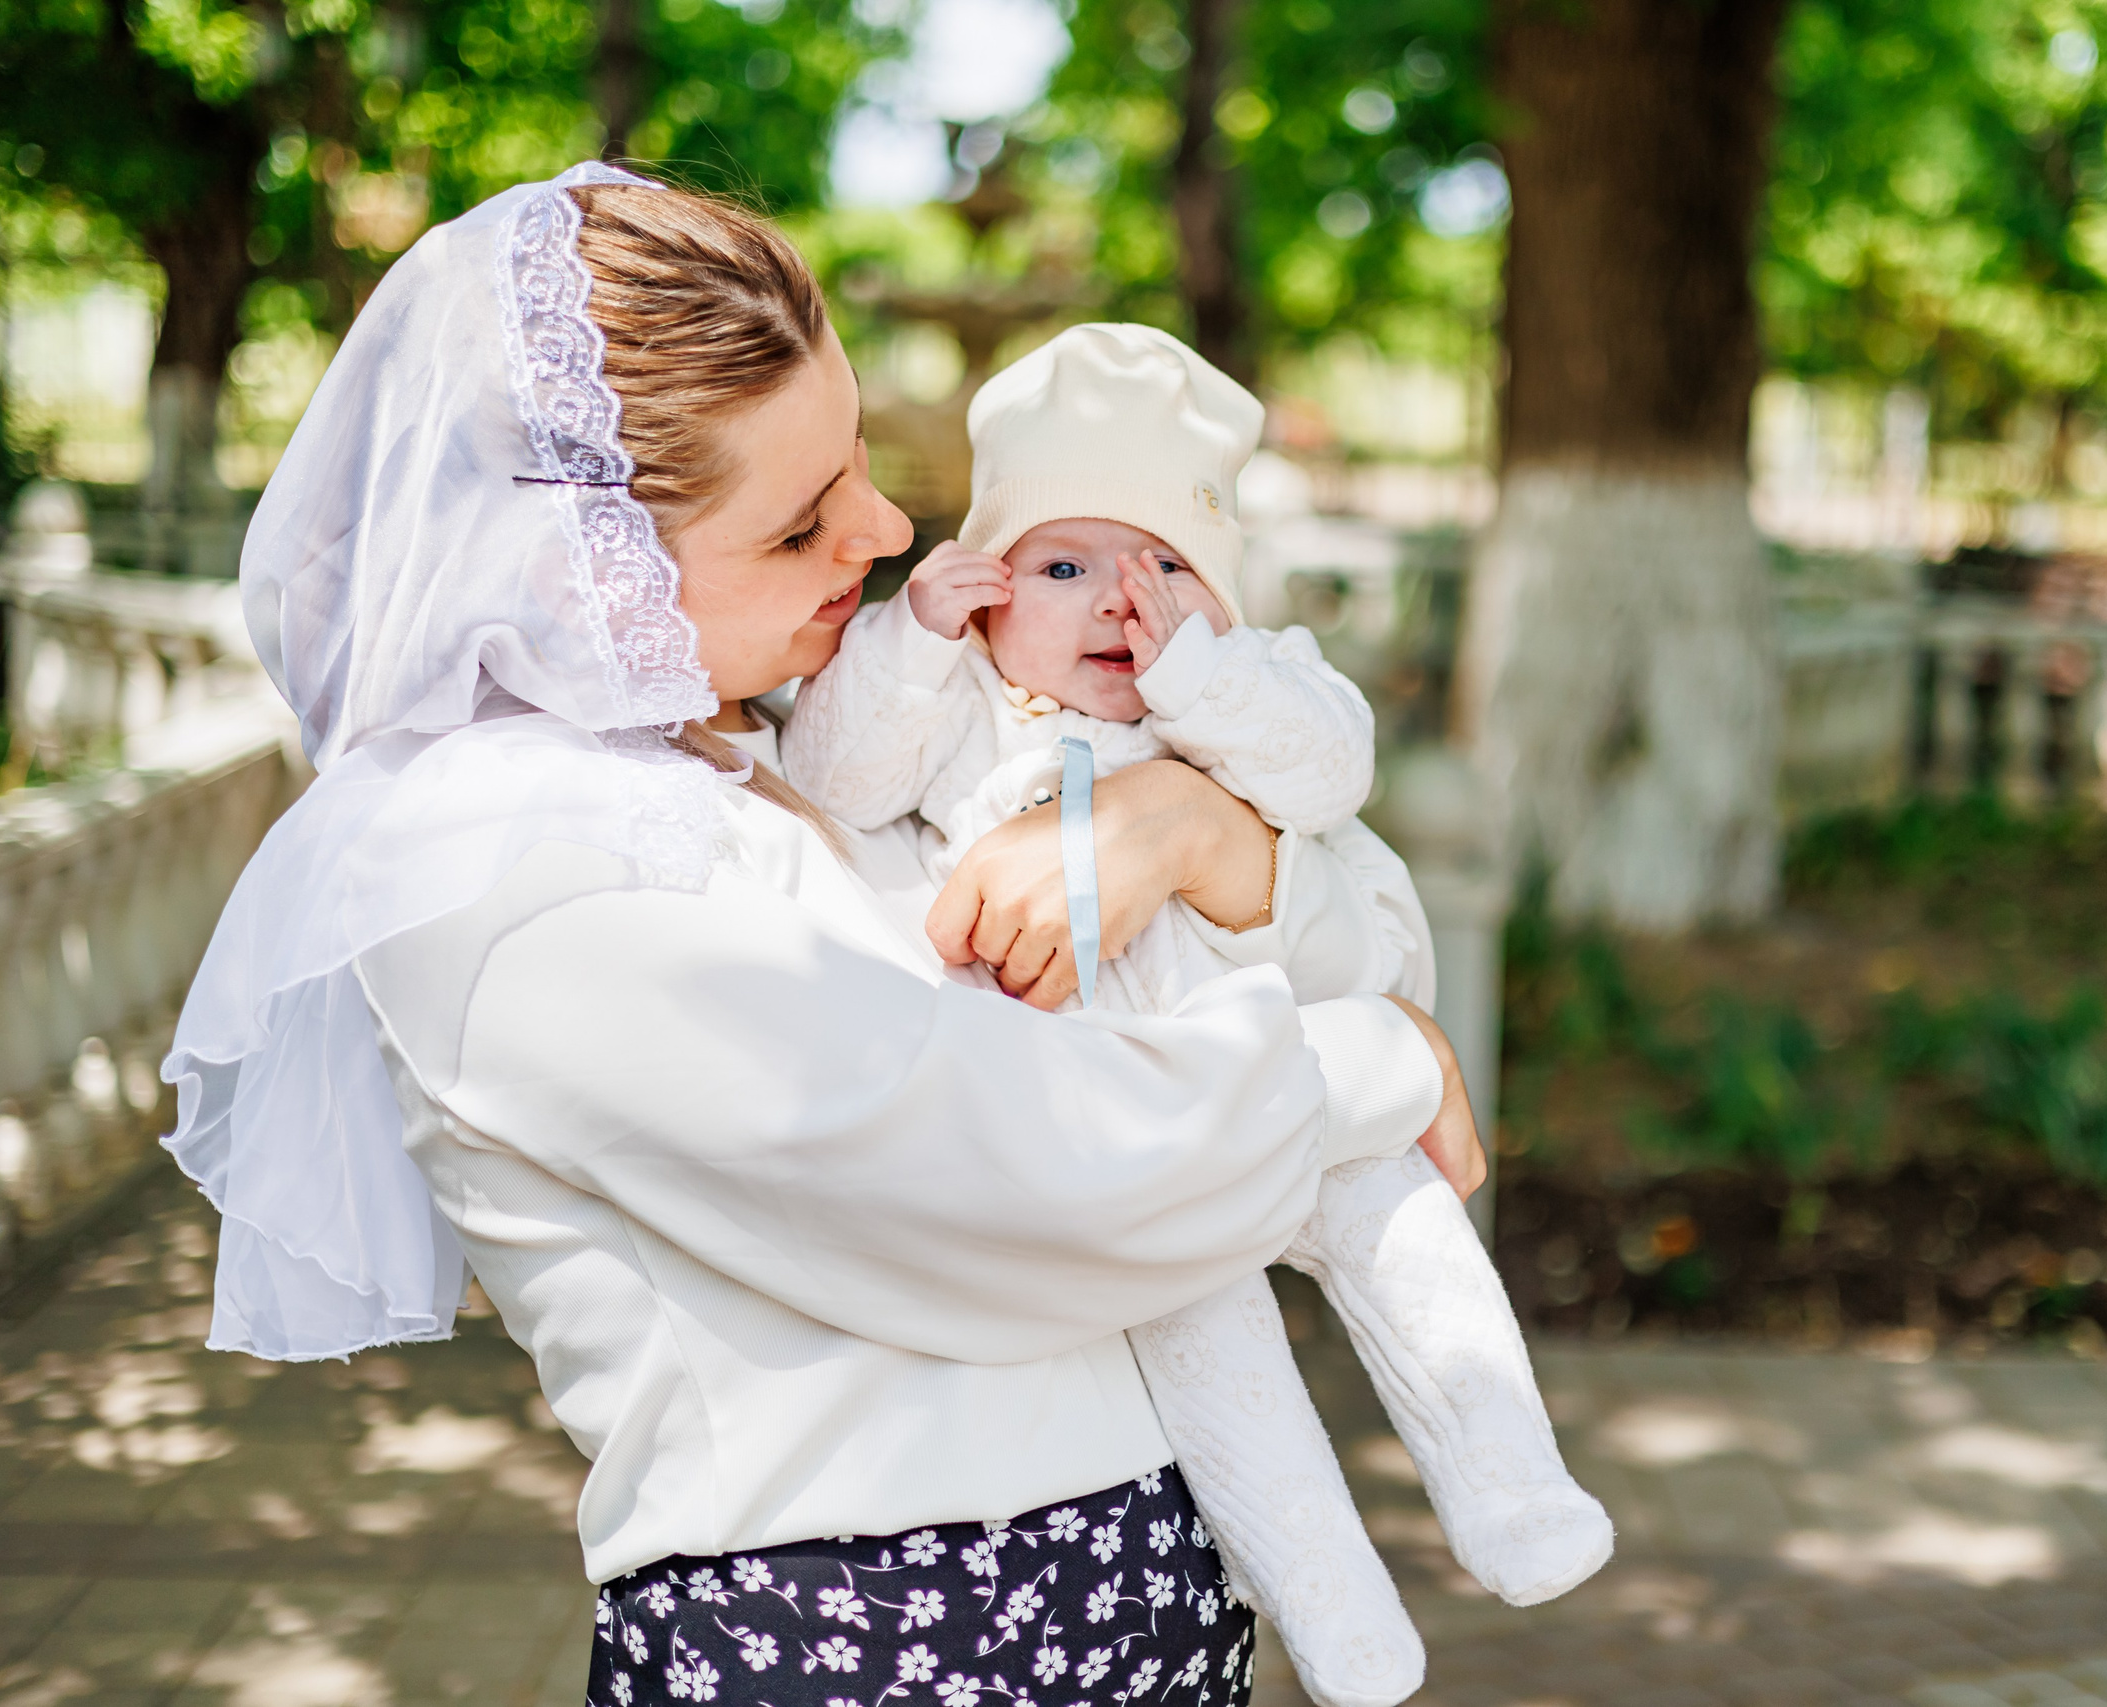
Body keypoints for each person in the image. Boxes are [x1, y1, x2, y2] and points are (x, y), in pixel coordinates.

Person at [160, 165, 1483, 1707]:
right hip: (865, 1652)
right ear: (576, 571)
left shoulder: (772, 739)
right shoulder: (512, 888)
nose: (890, 524)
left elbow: (1368, 921)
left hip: (1108, 1624)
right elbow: (1023, 1171)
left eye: (854, 457)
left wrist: (1193, 834)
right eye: (802, 525)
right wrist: (1373, 1064)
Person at [786, 323, 1612, 1704]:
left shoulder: (1242, 690)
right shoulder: (964, 710)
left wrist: (1200, 680)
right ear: (989, 601)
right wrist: (913, 643)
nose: (1127, 601)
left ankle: (1514, 1485)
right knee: (1218, 1364)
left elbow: (1331, 767)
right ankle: (1337, 1614)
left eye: (1171, 566)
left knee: (1412, 1243)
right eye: (1064, 566)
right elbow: (838, 779)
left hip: (1290, 1075)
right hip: (1134, 1140)